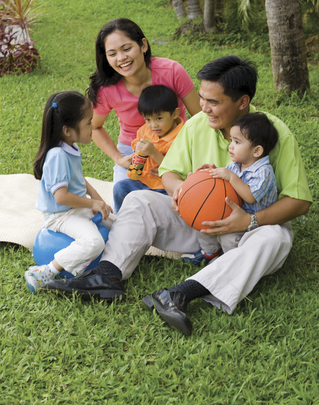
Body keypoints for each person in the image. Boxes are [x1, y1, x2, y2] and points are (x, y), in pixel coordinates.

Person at [46, 56, 312, 337]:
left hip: (249, 232)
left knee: (274, 238)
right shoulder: (197, 125)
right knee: (139, 201)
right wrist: (180, 191)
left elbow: (299, 201)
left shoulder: (275, 132)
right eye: (202, 98)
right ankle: (106, 275)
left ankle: (180, 294)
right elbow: (170, 173)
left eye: (214, 102)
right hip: (198, 226)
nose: (203, 108)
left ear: (242, 102)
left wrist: (249, 220)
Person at [87, 18, 201, 185]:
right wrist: (119, 159)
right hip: (133, 152)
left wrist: (188, 157)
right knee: (123, 193)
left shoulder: (172, 72)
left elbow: (201, 117)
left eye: (127, 48)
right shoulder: (107, 88)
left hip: (176, 146)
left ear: (143, 45)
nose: (121, 58)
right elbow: (94, 126)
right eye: (112, 54)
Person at [24, 91, 113, 293]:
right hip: (60, 215)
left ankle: (115, 261)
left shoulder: (69, 148)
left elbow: (81, 181)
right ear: (67, 130)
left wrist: (100, 203)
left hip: (75, 207)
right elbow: (61, 197)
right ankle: (46, 271)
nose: (93, 127)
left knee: (116, 223)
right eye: (89, 123)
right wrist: (91, 204)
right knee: (94, 242)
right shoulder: (57, 156)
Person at [182, 112, 279, 265]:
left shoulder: (263, 172)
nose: (231, 146)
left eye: (237, 142)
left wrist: (231, 177)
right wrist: (211, 171)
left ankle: (230, 262)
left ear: (257, 151)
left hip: (252, 224)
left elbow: (250, 196)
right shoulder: (237, 163)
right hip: (233, 213)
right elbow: (224, 179)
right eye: (231, 140)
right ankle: (209, 253)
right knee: (204, 221)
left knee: (228, 238)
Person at [113, 85, 183, 214]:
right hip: (144, 181)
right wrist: (137, 150)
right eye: (148, 119)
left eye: (159, 118)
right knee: (120, 187)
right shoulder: (146, 130)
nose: (153, 125)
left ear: (175, 114)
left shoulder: (182, 137)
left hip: (165, 188)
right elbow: (136, 143)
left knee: (164, 207)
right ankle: (119, 218)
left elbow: (176, 168)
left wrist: (153, 152)